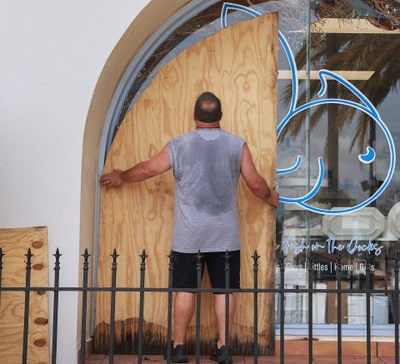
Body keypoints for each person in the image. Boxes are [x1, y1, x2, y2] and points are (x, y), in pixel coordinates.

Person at [100, 91, 279, 363]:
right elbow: (255, 183)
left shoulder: (178, 145)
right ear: (220, 116)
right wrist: (270, 196)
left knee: (185, 289)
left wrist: (120, 176)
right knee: (225, 291)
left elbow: (148, 169)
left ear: (194, 116)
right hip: (225, 237)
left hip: (188, 236)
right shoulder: (236, 144)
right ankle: (224, 348)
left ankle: (179, 347)